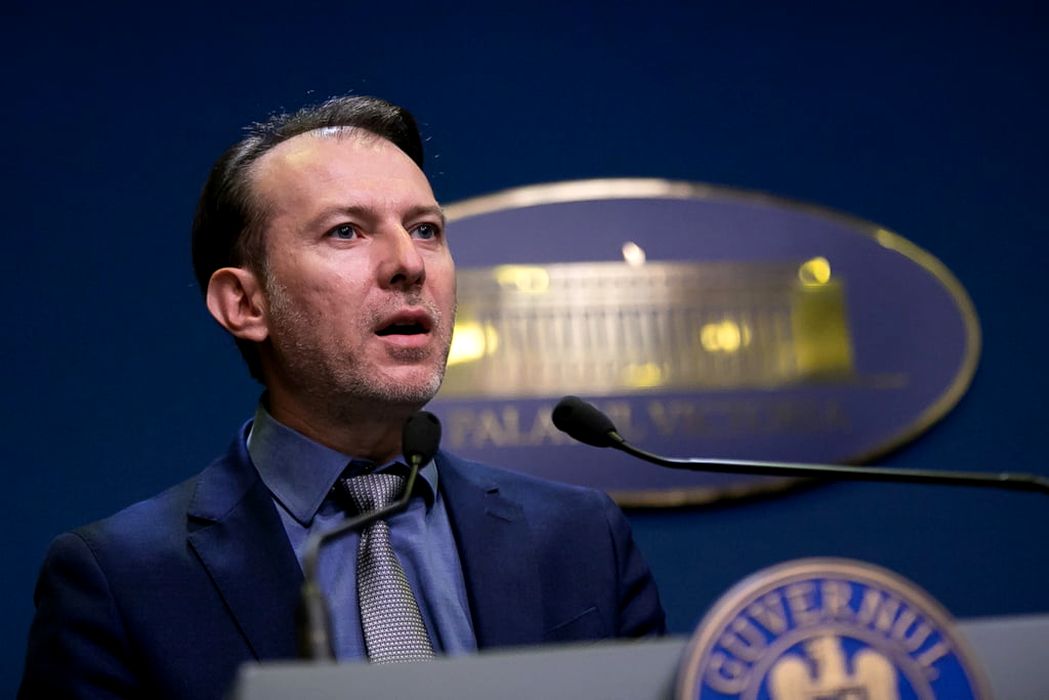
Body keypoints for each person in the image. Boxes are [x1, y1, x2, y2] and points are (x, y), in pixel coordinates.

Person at [19, 95, 666, 699]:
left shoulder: (581, 539)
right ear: (245, 303)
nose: (408, 263)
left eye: (425, 229)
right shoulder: (122, 582)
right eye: (346, 232)